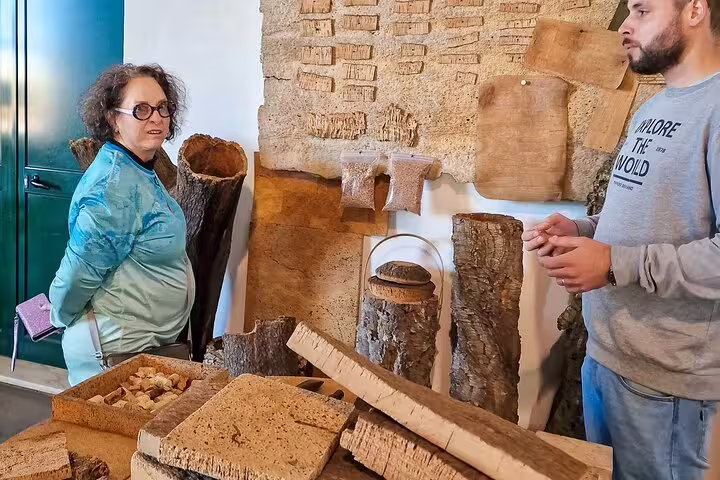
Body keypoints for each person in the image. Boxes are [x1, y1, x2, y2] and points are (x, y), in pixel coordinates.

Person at [522, 0, 720, 477]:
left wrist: (614, 263)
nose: (625, 27)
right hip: (606, 356)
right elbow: (643, 218)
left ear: (695, 10)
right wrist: (582, 231)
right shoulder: (655, 107)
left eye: (641, 10)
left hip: (664, 382)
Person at [49, 64, 193, 386]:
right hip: (113, 354)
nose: (156, 117)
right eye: (141, 110)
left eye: (162, 108)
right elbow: (73, 278)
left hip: (135, 348)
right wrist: (58, 316)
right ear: (113, 118)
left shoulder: (137, 168)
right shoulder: (113, 188)